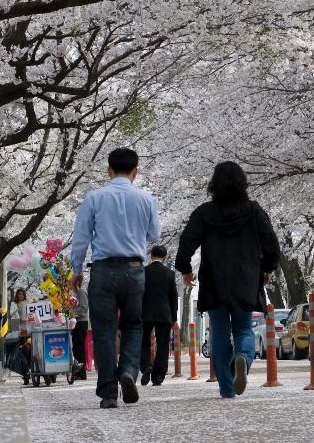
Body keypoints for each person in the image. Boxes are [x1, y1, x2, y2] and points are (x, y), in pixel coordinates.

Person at [175, 160, 280, 400]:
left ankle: (227, 388)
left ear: (214, 184)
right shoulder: (254, 211)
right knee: (243, 328)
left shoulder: (204, 213)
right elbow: (271, 243)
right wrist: (267, 267)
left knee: (219, 332)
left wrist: (185, 268)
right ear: (242, 183)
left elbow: (187, 241)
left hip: (215, 277)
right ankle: (242, 357)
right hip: (246, 276)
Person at [69, 147, 161, 409]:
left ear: (109, 171)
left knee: (105, 331)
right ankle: (128, 371)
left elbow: (81, 238)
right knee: (133, 325)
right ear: (136, 172)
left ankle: (109, 391)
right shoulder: (146, 199)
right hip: (134, 270)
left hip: (103, 271)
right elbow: (154, 235)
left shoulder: (95, 197)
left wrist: (77, 271)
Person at [140, 244, 179, 386]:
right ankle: (158, 376)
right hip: (164, 313)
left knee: (143, 342)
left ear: (151, 256)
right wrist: (174, 318)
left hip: (145, 312)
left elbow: (139, 294)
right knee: (163, 345)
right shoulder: (170, 274)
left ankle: (145, 366)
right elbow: (173, 297)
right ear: (165, 257)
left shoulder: (143, 272)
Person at [4, 288, 29, 380]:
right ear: (17, 296)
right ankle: (21, 368)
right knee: (18, 346)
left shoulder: (27, 303)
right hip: (16, 324)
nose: (21, 296)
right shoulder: (14, 304)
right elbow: (11, 314)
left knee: (26, 345)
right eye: (19, 294)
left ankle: (26, 367)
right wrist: (18, 308)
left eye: (22, 294)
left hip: (25, 325)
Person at [71, 284, 89, 381]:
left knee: (80, 348)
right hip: (75, 322)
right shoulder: (74, 292)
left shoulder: (81, 291)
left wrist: (72, 314)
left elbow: (84, 308)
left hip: (81, 322)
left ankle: (82, 372)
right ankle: (78, 370)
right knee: (76, 347)